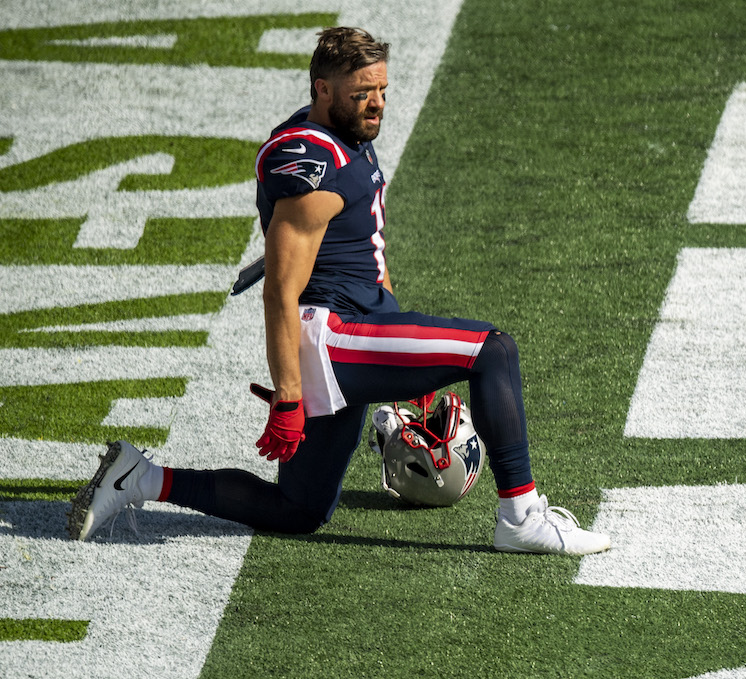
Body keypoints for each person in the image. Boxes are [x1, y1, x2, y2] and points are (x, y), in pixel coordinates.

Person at [66, 27, 609, 556]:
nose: (376, 104)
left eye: (381, 91)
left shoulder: (346, 135)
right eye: (361, 94)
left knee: (298, 510)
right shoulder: (313, 162)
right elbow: (280, 290)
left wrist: (404, 364)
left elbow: (366, 251)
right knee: (494, 351)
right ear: (323, 89)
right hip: (334, 335)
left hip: (356, 326)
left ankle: (140, 478)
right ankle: (522, 517)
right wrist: (288, 395)